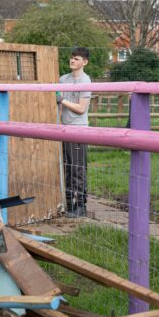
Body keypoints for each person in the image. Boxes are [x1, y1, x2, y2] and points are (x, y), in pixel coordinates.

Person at [57, 47, 92, 218]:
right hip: (65, 128)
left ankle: (81, 205)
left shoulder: (85, 81)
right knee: (68, 167)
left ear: (84, 62)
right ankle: (70, 201)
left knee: (78, 168)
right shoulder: (63, 79)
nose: (72, 61)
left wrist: (62, 100)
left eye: (76, 59)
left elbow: (81, 108)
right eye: (71, 58)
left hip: (78, 129)